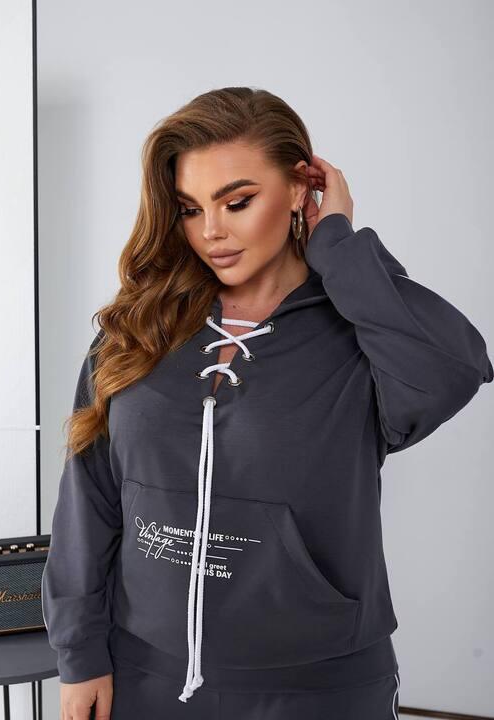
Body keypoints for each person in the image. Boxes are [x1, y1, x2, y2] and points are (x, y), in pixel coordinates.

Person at [41, 87, 492, 720]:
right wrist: (79, 652)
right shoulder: (140, 328)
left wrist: (338, 245)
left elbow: (451, 370)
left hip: (319, 686)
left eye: (238, 202)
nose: (212, 231)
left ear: (300, 187)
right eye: (190, 209)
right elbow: (88, 499)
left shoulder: (359, 333)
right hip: (144, 672)